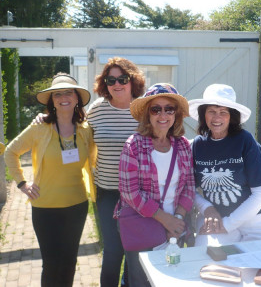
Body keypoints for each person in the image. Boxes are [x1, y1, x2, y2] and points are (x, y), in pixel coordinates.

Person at [4, 73, 96, 287]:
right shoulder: (40, 127)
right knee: (52, 263)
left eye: (68, 92)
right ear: (52, 100)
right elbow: (10, 152)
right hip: (45, 207)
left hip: (76, 205)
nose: (63, 97)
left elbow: (95, 160)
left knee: (69, 261)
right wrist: (22, 183)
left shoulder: (85, 130)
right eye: (57, 94)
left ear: (77, 98)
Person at [115, 83, 196, 287]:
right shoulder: (133, 145)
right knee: (141, 281)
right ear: (147, 114)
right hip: (143, 227)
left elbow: (189, 187)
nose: (163, 115)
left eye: (169, 109)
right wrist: (165, 220)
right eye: (156, 109)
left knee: (173, 279)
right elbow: (129, 192)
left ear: (176, 114)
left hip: (175, 227)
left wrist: (177, 221)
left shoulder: (184, 145)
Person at [188, 83, 261, 247]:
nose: (216, 117)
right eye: (211, 111)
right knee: (210, 264)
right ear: (203, 114)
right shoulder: (197, 145)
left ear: (231, 116)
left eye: (223, 112)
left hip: (259, 222)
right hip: (217, 219)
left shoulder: (245, 141)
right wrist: (207, 208)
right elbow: (189, 187)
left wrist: (228, 224)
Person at [87, 57, 145, 287]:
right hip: (108, 191)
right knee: (113, 250)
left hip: (139, 193)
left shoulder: (143, 110)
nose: (117, 84)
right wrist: (46, 119)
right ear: (105, 83)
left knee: (136, 249)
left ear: (133, 81)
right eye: (111, 80)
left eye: (123, 78)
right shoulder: (97, 110)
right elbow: (74, 129)